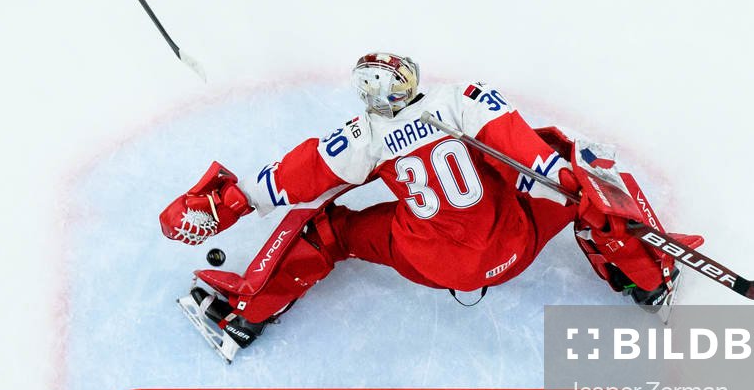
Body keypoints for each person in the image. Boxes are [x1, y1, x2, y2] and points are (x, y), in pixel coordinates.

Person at [157, 52, 704, 360]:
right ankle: (647, 277)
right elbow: (521, 145)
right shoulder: (459, 99)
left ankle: (247, 316)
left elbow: (291, 182)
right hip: (513, 246)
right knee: (588, 167)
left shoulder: (364, 135)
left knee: (334, 231)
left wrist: (231, 202)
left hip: (428, 262)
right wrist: (571, 183)